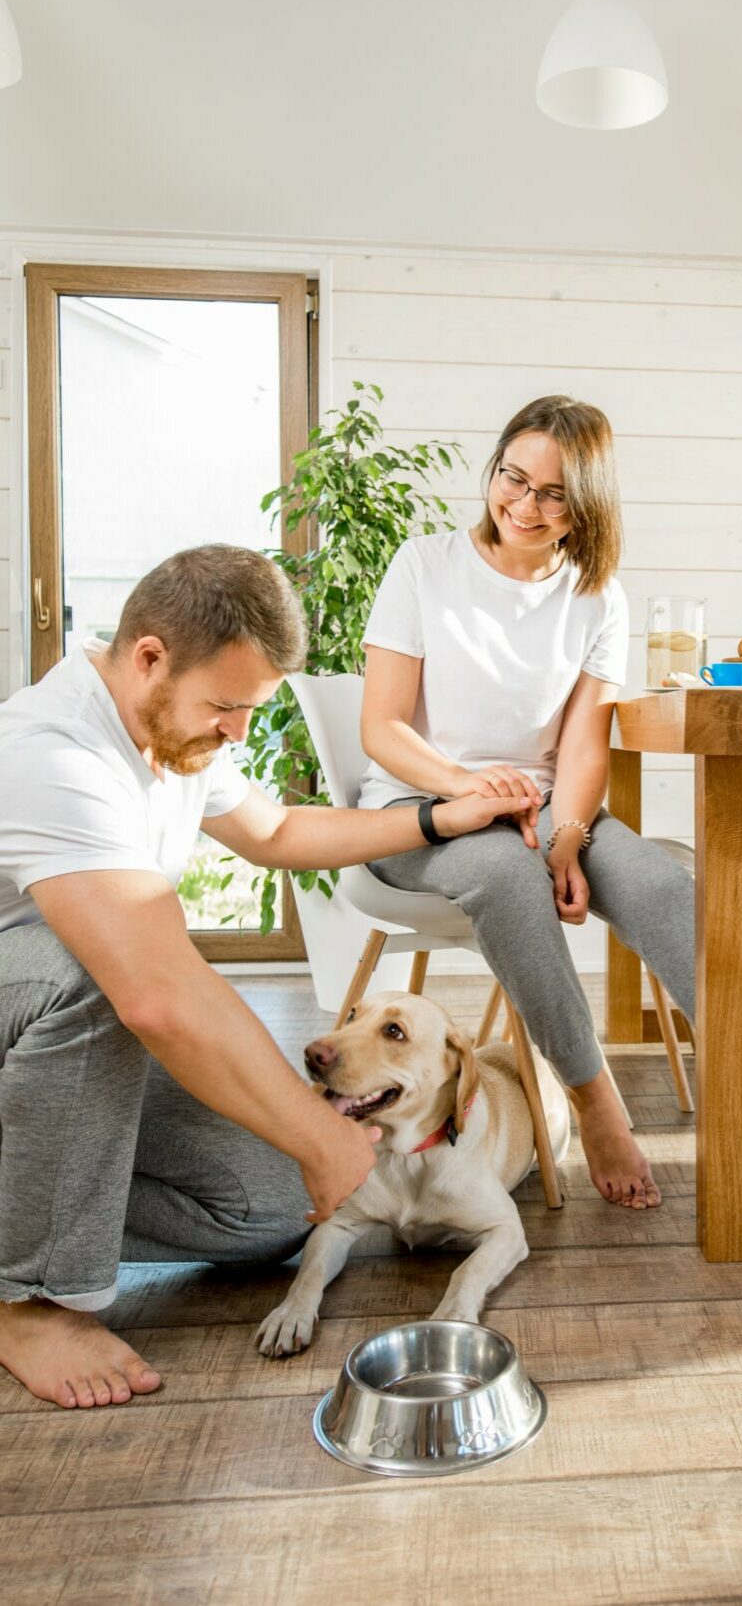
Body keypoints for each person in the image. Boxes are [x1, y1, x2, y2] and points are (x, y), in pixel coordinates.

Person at [0, 544, 531, 1411]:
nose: (238, 732)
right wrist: (323, 1136)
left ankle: (26, 1210)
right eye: (226, 706)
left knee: (274, 1206)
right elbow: (155, 994)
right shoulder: (52, 755)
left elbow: (278, 831)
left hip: (54, 1058)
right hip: (32, 1012)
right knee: (100, 969)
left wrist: (441, 817)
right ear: (148, 657)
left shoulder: (170, 733)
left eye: (250, 709)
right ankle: (34, 1299)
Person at [360, 395, 742, 1211]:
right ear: (492, 472)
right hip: (419, 809)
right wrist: (471, 789)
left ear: (587, 504)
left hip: (543, 808)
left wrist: (566, 836)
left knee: (668, 889)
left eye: (553, 494)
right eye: (512, 479)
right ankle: (595, 1104)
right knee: (503, 874)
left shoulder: (598, 594)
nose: (525, 506)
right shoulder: (423, 567)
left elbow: (583, 743)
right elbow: (382, 728)